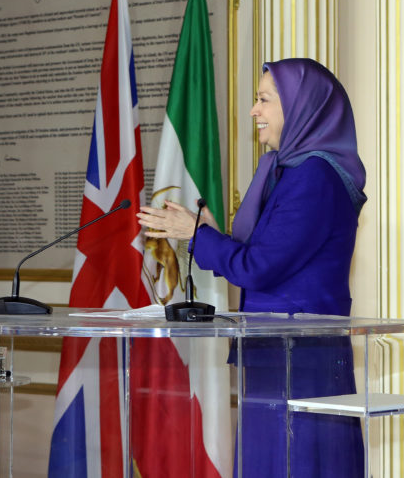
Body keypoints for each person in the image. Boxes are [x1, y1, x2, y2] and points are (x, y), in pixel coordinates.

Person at [137, 58, 366, 477]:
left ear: (300, 107)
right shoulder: (285, 171)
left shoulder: (315, 177)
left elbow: (259, 267)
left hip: (302, 359)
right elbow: (263, 255)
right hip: (274, 351)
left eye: (263, 100)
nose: (253, 111)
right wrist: (208, 232)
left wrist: (196, 235)